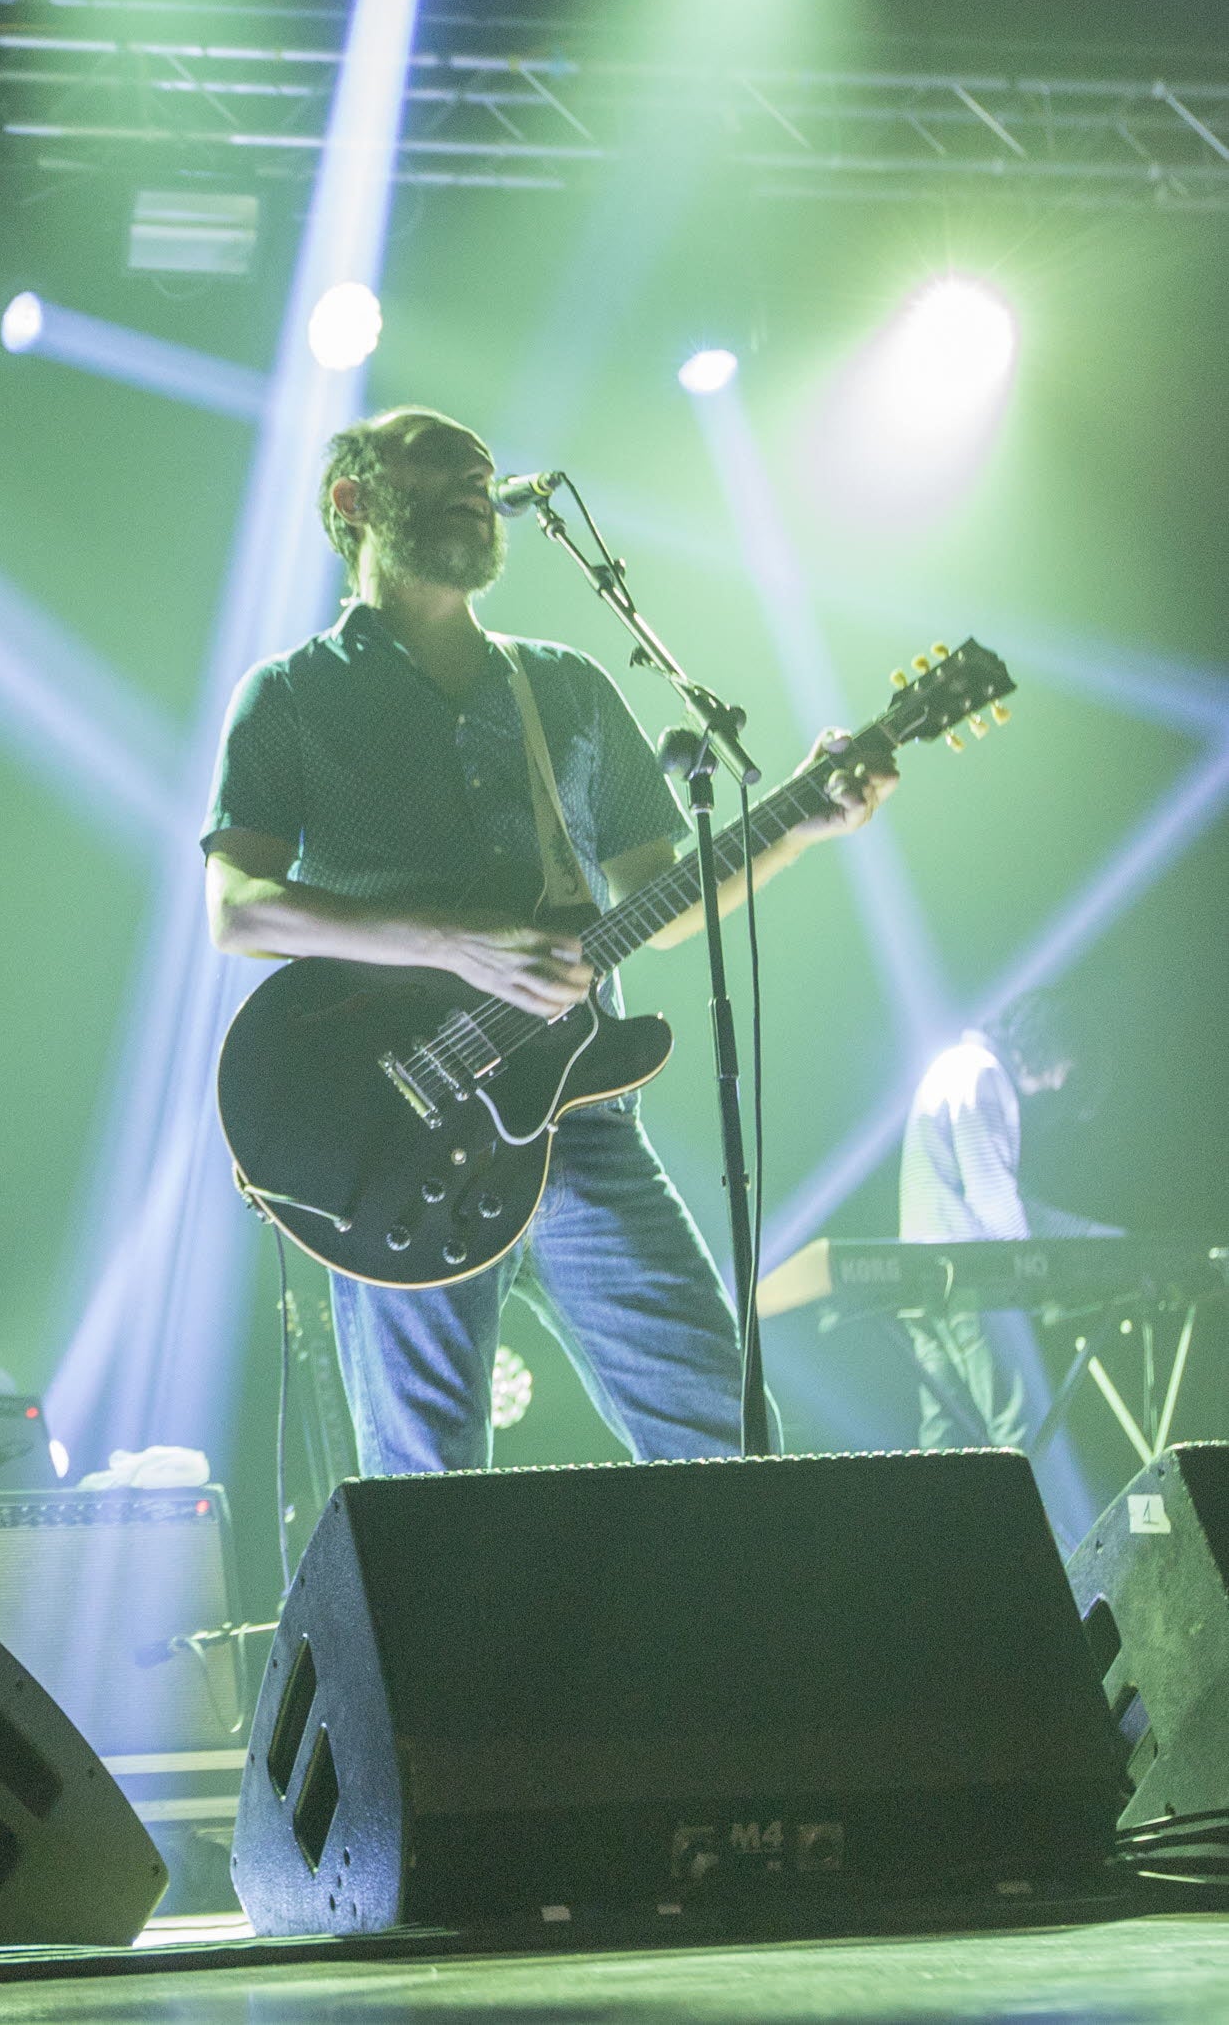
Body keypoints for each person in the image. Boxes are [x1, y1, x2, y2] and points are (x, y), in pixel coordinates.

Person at [202, 406, 896, 1476]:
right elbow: (240, 907)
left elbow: (657, 899)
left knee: (732, 1446)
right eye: (437, 458)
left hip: (585, 1124)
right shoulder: (293, 696)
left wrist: (803, 823)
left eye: (482, 465)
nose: (477, 473)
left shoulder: (565, 687)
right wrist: (452, 943)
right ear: (352, 500)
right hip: (399, 1131)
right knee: (428, 1493)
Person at [899, 990, 1113, 1493]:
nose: (1061, 1081)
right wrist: (1036, 1280)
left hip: (921, 1279)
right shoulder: (983, 1075)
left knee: (945, 1441)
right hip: (970, 1283)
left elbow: (1003, 1195)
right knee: (1024, 1433)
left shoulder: (957, 1068)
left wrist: (1094, 1238)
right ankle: (1048, 1557)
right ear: (1047, 1043)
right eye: (1066, 1065)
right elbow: (994, 1199)